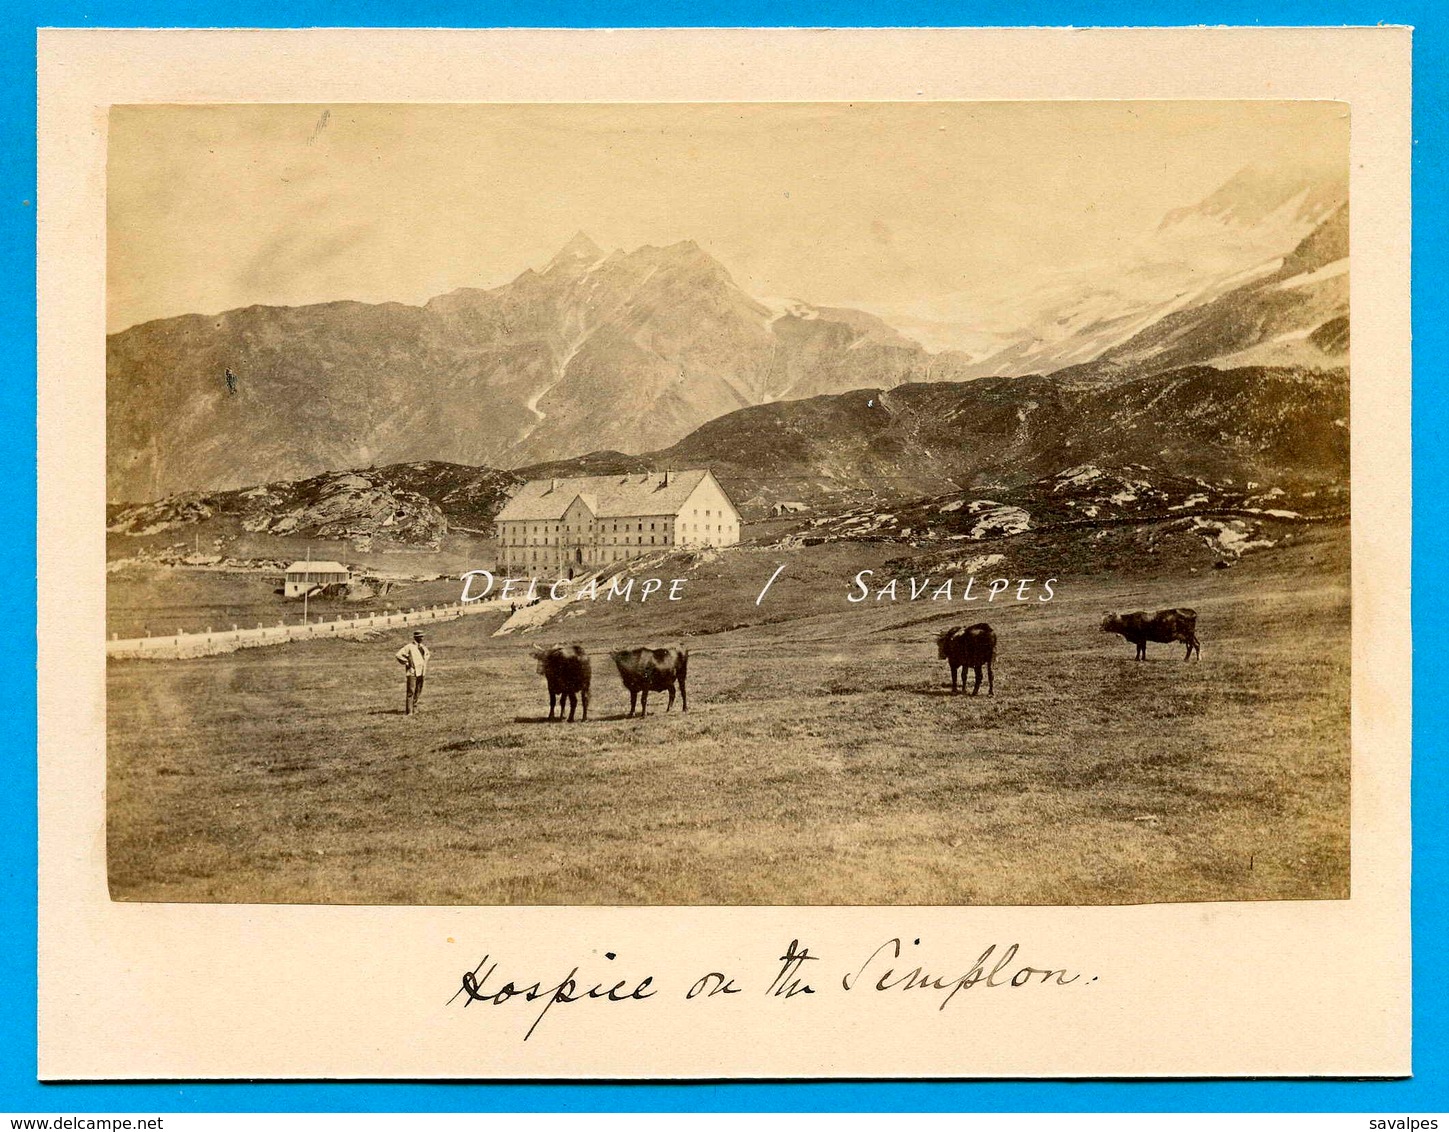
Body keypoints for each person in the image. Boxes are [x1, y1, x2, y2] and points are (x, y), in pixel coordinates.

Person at [395, 630, 431, 715]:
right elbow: (398, 655)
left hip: (421, 671)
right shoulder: (409, 647)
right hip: (412, 672)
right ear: (415, 637)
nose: (422, 638)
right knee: (411, 691)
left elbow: (427, 654)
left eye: (422, 636)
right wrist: (407, 662)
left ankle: (415, 707)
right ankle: (409, 711)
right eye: (420, 636)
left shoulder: (423, 647)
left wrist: (423, 662)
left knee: (418, 690)